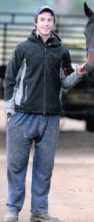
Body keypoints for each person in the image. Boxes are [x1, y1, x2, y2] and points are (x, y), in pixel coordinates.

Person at [3, 5, 87, 222]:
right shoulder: (22, 49)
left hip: (50, 118)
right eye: (42, 19)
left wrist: (79, 72)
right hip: (22, 116)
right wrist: (10, 112)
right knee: (16, 165)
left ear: (53, 23)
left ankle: (39, 212)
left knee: (44, 168)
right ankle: (13, 209)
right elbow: (10, 81)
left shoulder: (62, 52)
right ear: (35, 22)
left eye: (50, 20)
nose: (46, 23)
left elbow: (66, 81)